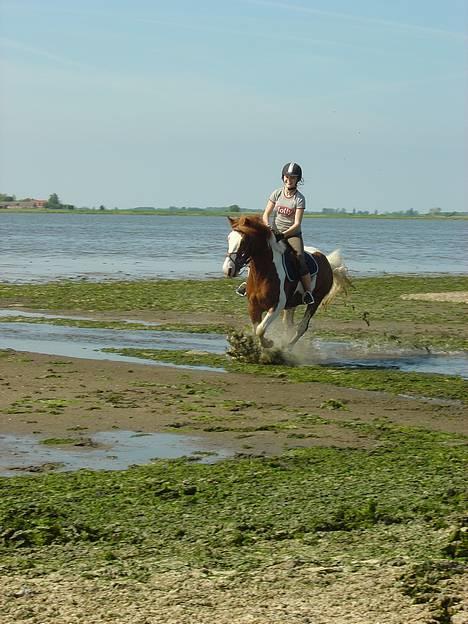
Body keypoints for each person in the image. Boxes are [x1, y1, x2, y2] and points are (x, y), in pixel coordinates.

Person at [236, 162, 314, 304]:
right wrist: (267, 227)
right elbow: (266, 213)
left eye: (292, 177)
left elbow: (297, 224)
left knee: (299, 258)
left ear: (297, 180)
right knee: (256, 251)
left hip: (292, 234)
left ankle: (308, 292)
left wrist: (283, 235)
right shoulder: (277, 193)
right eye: (286, 177)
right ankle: (248, 283)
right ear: (283, 177)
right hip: (275, 230)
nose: (288, 180)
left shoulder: (299, 199)